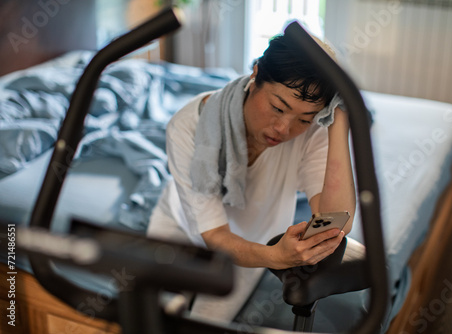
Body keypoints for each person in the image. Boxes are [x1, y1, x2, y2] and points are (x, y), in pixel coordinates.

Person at [147, 31, 356, 323]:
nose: (283, 128)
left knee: (204, 325)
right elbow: (215, 235)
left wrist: (340, 120)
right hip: (180, 224)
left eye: (304, 118)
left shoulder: (314, 132)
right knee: (150, 320)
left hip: (252, 244)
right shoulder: (188, 127)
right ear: (256, 74)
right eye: (277, 107)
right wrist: (278, 258)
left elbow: (337, 218)